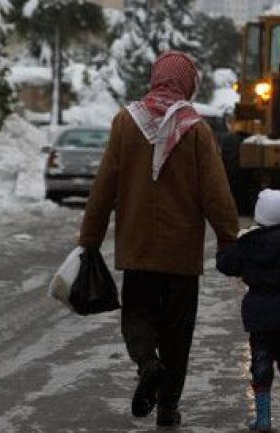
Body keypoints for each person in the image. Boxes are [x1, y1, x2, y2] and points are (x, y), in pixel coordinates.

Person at [78, 51, 240, 428]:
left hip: (137, 250)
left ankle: (147, 364)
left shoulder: (125, 122)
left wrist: (90, 238)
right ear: (187, 83)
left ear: (156, 78)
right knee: (177, 334)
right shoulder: (195, 129)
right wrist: (229, 240)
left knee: (136, 316)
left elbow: (104, 187)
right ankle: (168, 407)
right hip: (181, 257)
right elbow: (216, 193)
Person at [216, 189, 280, 432]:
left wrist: (226, 248)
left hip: (257, 313)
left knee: (260, 363)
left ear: (259, 214)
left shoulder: (248, 243)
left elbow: (226, 264)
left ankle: (263, 419)